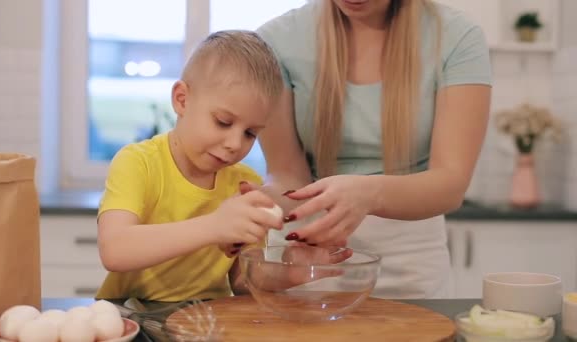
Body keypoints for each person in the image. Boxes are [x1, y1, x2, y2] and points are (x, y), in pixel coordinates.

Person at [253, 0, 492, 298]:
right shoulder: (277, 40)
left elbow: (451, 183)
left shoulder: (457, 37)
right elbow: (287, 175)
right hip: (307, 260)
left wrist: (368, 194)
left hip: (411, 264)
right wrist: (262, 203)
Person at [94, 30, 287, 302]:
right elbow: (114, 250)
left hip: (204, 320)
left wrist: (296, 269)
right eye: (223, 121)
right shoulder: (138, 162)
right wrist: (215, 226)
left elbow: (244, 283)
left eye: (250, 133)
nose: (234, 143)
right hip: (129, 315)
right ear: (182, 100)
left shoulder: (243, 183)